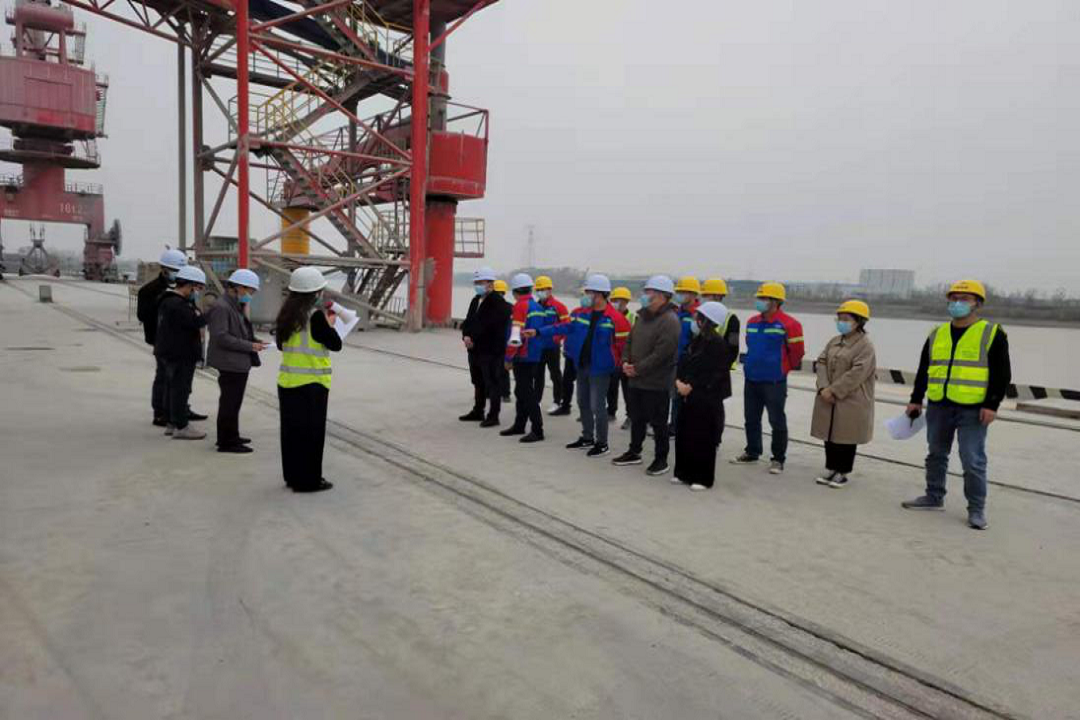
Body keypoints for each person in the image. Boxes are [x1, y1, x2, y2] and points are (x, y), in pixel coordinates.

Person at [901, 280, 1011, 530]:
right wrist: (916, 399)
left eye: (964, 299)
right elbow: (924, 369)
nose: (957, 303)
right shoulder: (936, 333)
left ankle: (976, 509)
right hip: (939, 404)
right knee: (936, 454)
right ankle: (934, 496)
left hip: (973, 408)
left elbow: (1002, 374)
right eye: (953, 299)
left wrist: (992, 405)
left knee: (972, 459)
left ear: (977, 304)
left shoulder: (992, 333)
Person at [530, 274, 631, 457]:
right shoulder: (580, 313)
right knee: (582, 402)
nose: (585, 295)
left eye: (588, 292)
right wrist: (538, 332)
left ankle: (602, 443)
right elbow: (564, 327)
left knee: (597, 406)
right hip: (582, 365)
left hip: (601, 369)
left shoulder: (616, 319)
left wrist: (617, 365)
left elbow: (624, 346)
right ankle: (587, 437)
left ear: (600, 294)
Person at [275, 267, 342, 493]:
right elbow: (335, 344)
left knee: (291, 433)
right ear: (315, 293)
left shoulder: (286, 315)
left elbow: (280, 345)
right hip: (312, 384)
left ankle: (292, 476)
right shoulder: (315, 316)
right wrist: (330, 325)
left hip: (287, 382)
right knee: (312, 435)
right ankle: (309, 481)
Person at [731, 282, 804, 474]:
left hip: (774, 381)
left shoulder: (790, 324)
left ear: (776, 301)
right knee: (751, 418)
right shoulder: (752, 322)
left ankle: (778, 459)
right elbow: (750, 345)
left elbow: (797, 353)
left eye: (763, 298)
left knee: (776, 420)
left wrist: (782, 369)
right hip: (752, 378)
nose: (759, 301)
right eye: (759, 298)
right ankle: (752, 451)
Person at [612, 275, 681, 475]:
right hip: (636, 380)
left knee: (658, 423)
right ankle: (634, 452)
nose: (645, 295)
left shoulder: (670, 321)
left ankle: (661, 460)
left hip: (656, 382)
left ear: (662, 296)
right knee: (637, 418)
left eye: (649, 292)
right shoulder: (642, 317)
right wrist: (626, 361)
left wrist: (638, 368)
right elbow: (629, 341)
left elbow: (662, 353)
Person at [138, 249, 207, 426]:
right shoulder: (150, 290)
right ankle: (161, 413)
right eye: (174, 270)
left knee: (181, 380)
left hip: (182, 340)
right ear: (164, 269)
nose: (178, 274)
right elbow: (143, 315)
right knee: (164, 377)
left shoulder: (184, 290)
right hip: (162, 339)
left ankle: (180, 409)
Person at [810, 301, 876, 488]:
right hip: (827, 396)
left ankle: (843, 472)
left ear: (859, 322)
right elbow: (821, 362)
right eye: (839, 318)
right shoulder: (834, 341)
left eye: (846, 319)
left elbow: (858, 373)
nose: (841, 322)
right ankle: (831, 467)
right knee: (830, 434)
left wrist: (834, 390)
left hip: (851, 398)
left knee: (846, 436)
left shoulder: (865, 346)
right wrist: (823, 387)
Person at [672, 301, 737, 490]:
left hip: (706, 396)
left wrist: (691, 386)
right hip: (687, 393)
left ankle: (702, 478)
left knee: (703, 437)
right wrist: (678, 381)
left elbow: (714, 372)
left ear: (705, 320)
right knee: (684, 433)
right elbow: (684, 361)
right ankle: (683, 472)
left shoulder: (717, 344)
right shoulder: (697, 339)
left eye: (698, 317)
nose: (695, 320)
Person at [206, 268, 267, 454]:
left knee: (234, 402)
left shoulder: (234, 305)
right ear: (239, 287)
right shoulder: (222, 307)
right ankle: (227, 442)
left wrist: (255, 341)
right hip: (229, 363)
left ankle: (232, 435)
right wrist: (250, 346)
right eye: (250, 291)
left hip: (237, 362)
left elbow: (239, 331)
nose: (251, 296)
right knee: (229, 403)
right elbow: (221, 337)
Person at [154, 265, 208, 440]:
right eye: (198, 288)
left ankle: (171, 422)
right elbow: (194, 322)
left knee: (172, 388)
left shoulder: (168, 300)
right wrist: (210, 314)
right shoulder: (178, 305)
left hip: (170, 351)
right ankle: (181, 426)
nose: (197, 292)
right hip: (180, 353)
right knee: (180, 390)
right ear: (190, 285)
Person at [460, 267, 512, 427]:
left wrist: (474, 337)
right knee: (478, 381)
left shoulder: (499, 303)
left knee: (492, 382)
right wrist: (466, 335)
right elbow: (468, 321)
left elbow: (489, 325)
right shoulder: (476, 300)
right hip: (474, 349)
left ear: (490, 283)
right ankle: (478, 410)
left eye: (480, 282)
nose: (477, 285)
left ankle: (493, 415)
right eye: (476, 282)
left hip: (491, 350)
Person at [501, 273, 548, 443]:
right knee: (522, 391)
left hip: (523, 354)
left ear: (515, 291)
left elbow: (515, 335)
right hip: (535, 354)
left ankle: (537, 429)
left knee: (526, 393)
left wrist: (508, 357)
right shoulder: (537, 307)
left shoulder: (520, 307)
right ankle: (519, 425)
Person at [532, 275, 570, 415]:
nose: (540, 292)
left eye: (543, 289)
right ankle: (536, 400)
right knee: (538, 375)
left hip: (552, 347)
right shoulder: (535, 306)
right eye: (538, 289)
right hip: (538, 346)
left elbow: (566, 326)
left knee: (555, 374)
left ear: (550, 290)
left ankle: (557, 401)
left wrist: (557, 338)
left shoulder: (559, 307)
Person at [669, 276, 702, 434]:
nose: (680, 295)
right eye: (679, 292)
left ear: (693, 294)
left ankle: (684, 427)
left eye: (684, 292)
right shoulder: (676, 312)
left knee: (688, 397)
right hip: (675, 359)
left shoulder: (699, 314)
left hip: (690, 361)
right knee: (675, 395)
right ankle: (674, 425)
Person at [607, 286, 636, 428]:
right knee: (611, 387)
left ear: (626, 302)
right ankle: (611, 412)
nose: (616, 303)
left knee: (628, 390)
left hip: (626, 359)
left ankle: (630, 416)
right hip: (613, 358)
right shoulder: (609, 317)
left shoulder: (633, 318)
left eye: (619, 300)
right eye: (614, 300)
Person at [701, 277, 741, 362]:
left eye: (706, 295)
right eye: (703, 296)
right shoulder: (700, 316)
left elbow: (733, 348)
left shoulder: (732, 319)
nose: (704, 299)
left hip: (721, 367)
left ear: (718, 296)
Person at [493, 279, 512, 402]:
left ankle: (502, 393)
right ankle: (503, 394)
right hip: (499, 343)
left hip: (499, 343)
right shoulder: (510, 307)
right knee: (498, 369)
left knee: (499, 369)